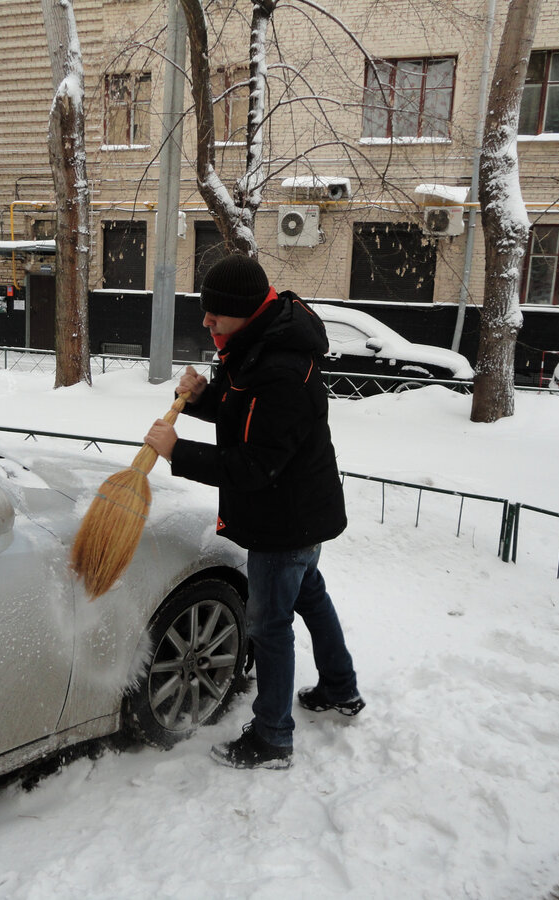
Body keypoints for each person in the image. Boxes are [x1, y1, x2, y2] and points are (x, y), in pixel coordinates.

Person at [144, 253, 363, 771]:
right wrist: (199, 399)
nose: (206, 322)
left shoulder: (281, 368)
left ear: (244, 310)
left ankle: (273, 738)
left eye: (214, 314)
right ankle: (339, 687)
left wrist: (179, 452)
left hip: (283, 519)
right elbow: (244, 411)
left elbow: (255, 463)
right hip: (299, 511)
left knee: (268, 626)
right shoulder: (261, 343)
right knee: (311, 596)